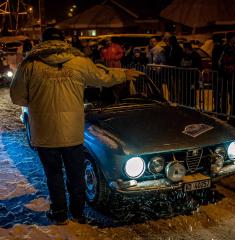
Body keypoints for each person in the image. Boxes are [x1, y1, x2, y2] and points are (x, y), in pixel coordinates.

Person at [10, 27, 142, 225]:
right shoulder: (79, 62)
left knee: (53, 175)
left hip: (45, 132)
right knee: (76, 174)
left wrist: (36, 100)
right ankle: (78, 213)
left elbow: (17, 96)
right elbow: (102, 77)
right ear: (64, 41)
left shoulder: (30, 64)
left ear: (42, 42)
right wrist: (123, 74)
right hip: (71, 131)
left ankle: (60, 213)